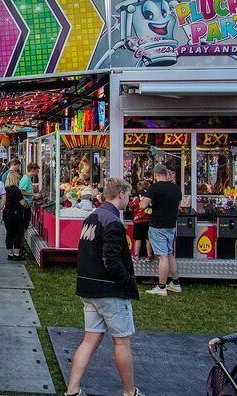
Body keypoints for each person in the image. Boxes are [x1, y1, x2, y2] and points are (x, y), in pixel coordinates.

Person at [65, 178, 142, 396]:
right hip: (110, 290)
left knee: (90, 339)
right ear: (120, 194)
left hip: (89, 287)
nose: (128, 198)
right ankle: (129, 392)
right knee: (121, 341)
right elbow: (111, 261)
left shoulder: (92, 217)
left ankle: (73, 389)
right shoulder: (113, 222)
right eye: (127, 194)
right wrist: (128, 280)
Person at [139, 164, 182, 296]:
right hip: (171, 225)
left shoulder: (154, 187)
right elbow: (179, 205)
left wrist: (149, 202)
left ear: (156, 175)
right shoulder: (176, 189)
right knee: (169, 254)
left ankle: (161, 287)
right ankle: (175, 283)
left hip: (157, 226)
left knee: (162, 257)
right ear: (166, 173)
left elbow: (142, 205)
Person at [3, 172, 28, 260]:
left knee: (9, 232)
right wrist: (26, 205)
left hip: (7, 212)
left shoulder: (5, 189)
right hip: (16, 212)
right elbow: (22, 202)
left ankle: (10, 253)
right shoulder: (16, 190)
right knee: (18, 232)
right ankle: (17, 254)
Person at [129, 180, 153, 262]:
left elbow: (130, 207)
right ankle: (149, 255)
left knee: (137, 239)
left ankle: (136, 254)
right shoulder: (149, 199)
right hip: (148, 220)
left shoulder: (136, 199)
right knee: (148, 239)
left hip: (138, 221)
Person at [19, 163, 41, 231]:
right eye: (37, 170)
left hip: (28, 203)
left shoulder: (28, 178)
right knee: (25, 222)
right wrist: (33, 194)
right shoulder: (26, 179)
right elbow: (21, 191)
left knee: (26, 221)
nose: (38, 172)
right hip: (25, 204)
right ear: (32, 170)